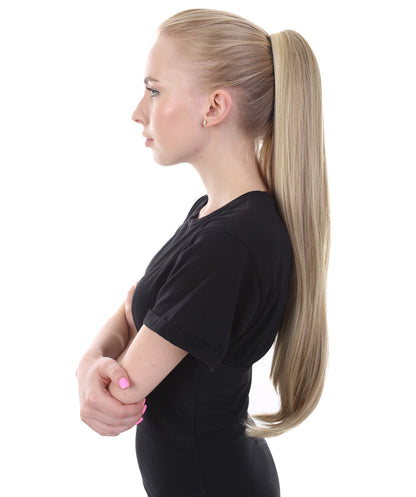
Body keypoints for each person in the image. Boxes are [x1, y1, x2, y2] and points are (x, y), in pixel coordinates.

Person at [76, 8, 330, 497]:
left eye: (154, 90)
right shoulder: (215, 215)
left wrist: (95, 364)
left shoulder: (229, 244)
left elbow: (121, 386)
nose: (138, 112)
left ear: (214, 107)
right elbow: (134, 312)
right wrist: (93, 359)